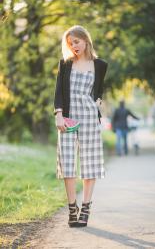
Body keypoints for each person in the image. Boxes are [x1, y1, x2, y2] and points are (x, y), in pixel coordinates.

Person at [53, 25, 107, 228]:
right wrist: (58, 114)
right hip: (67, 118)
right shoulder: (65, 64)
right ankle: (72, 208)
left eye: (76, 41)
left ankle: (86, 208)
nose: (73, 46)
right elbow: (58, 91)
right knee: (67, 163)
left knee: (90, 163)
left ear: (85, 40)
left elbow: (98, 90)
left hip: (89, 117)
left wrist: (98, 101)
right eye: (70, 43)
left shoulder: (100, 65)